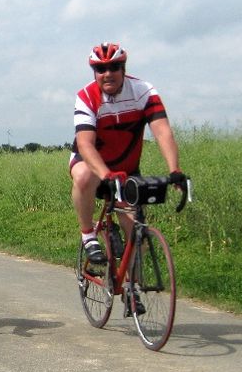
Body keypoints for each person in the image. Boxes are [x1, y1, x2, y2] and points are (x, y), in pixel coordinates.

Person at [70, 43, 187, 268]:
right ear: (94, 72)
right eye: (100, 69)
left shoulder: (143, 91)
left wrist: (175, 169)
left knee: (138, 237)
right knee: (84, 176)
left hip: (126, 169)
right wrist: (106, 174)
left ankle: (130, 291)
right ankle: (88, 235)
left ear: (123, 68)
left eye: (114, 67)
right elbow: (85, 144)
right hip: (93, 164)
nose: (107, 74)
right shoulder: (86, 96)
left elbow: (162, 131)